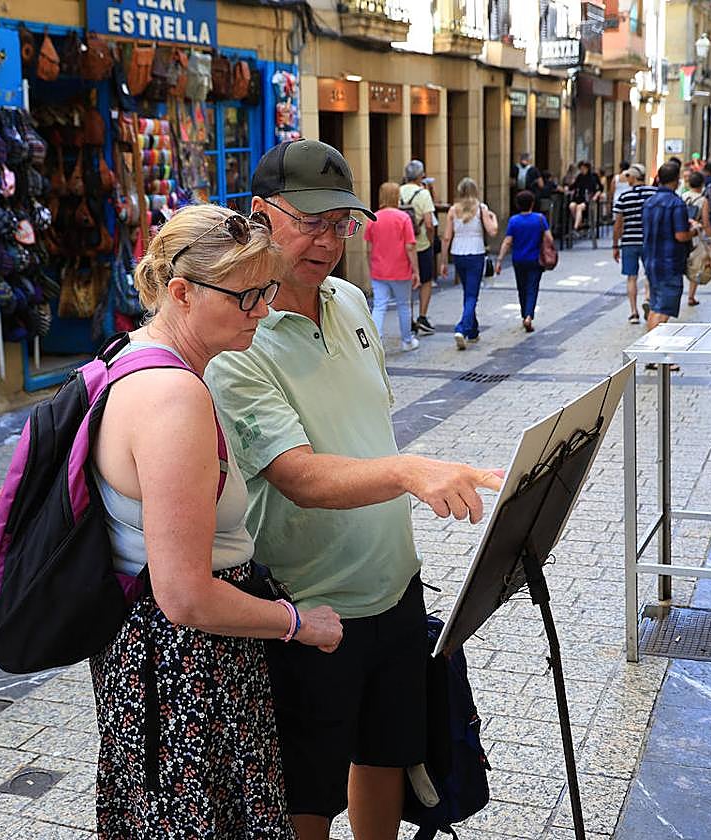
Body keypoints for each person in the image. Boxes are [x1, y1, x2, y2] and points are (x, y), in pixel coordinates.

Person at [204, 138, 503, 840]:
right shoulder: (240, 341)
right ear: (258, 214)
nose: (330, 240)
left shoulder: (348, 299)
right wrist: (409, 471)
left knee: (387, 756)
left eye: (342, 222)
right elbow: (299, 475)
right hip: (311, 611)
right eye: (310, 221)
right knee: (305, 792)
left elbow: (365, 431)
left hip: (395, 587)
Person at [89, 204, 343, 838]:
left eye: (265, 291)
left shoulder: (133, 358)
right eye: (247, 296)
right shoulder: (174, 399)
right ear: (181, 292)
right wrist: (298, 624)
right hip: (187, 672)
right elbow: (185, 596)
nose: (262, 310)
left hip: (164, 663)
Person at [641, 161, 700, 346]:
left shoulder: (649, 202)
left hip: (651, 260)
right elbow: (681, 235)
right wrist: (694, 231)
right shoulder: (676, 203)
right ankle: (655, 352)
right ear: (676, 180)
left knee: (655, 306)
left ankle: (651, 351)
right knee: (663, 309)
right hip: (670, 262)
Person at [439, 177, 498, 350]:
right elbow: (493, 231)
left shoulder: (452, 210)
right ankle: (462, 329)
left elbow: (447, 237)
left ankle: (473, 331)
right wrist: (493, 217)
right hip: (476, 253)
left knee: (468, 292)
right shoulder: (481, 209)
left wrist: (443, 262)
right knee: (472, 295)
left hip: (458, 254)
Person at [365, 181, 420, 351]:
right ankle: (407, 341)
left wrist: (371, 267)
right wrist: (416, 270)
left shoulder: (373, 218)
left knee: (380, 306)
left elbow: (368, 248)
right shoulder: (403, 218)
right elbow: (410, 247)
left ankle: (376, 341)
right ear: (397, 197)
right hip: (401, 270)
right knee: (403, 305)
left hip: (379, 270)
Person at [495, 189, 549, 333]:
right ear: (532, 203)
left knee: (522, 288)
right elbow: (548, 238)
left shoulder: (514, 221)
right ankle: (529, 316)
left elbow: (507, 241)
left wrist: (499, 260)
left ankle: (524, 314)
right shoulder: (540, 219)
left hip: (518, 260)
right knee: (532, 288)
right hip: (535, 259)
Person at [612, 164, 657, 325]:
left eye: (628, 176)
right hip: (649, 240)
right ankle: (648, 299)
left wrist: (615, 245)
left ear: (634, 177)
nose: (627, 179)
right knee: (650, 273)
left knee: (631, 277)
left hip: (629, 241)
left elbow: (618, 224)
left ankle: (633, 312)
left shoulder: (624, 197)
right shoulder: (653, 193)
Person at [399, 161, 438, 336]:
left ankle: (409, 318)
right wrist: (430, 240)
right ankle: (422, 316)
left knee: (407, 282)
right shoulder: (423, 194)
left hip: (401, 245)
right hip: (421, 244)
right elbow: (429, 223)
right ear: (421, 175)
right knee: (426, 280)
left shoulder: (397, 192)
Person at [682, 171, 711, 307]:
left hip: (683, 232)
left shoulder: (682, 196)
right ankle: (691, 296)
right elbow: (706, 222)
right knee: (696, 264)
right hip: (695, 236)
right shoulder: (703, 200)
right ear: (702, 185)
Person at [568, 161, 603, 230]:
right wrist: (569, 186)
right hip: (578, 198)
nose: (582, 170)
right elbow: (573, 186)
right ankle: (579, 224)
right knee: (571, 206)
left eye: (583, 168)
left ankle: (576, 227)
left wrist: (595, 196)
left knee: (579, 207)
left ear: (587, 168)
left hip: (588, 199)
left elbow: (600, 188)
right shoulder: (579, 177)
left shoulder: (593, 176)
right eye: (581, 169)